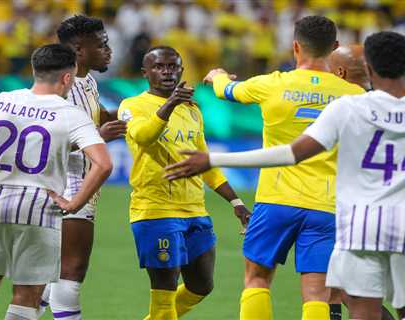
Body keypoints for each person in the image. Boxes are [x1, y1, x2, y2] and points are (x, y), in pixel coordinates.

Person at [165, 30, 405, 320]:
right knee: (320, 293)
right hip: (338, 208)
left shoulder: (343, 105)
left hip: (306, 207)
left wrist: (217, 80)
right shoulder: (351, 94)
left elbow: (290, 150)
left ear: (295, 46)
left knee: (258, 279)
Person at [0, 44, 113, 320]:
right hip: (40, 210)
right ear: (67, 78)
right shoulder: (70, 114)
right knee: (27, 296)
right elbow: (103, 164)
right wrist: (74, 203)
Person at [117, 46, 249, 320]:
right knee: (164, 298)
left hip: (195, 211)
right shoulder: (131, 106)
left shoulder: (192, 111)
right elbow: (143, 136)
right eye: (159, 66)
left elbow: (205, 162)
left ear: (181, 70)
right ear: (145, 73)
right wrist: (171, 103)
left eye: (173, 66)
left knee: (201, 286)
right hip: (155, 212)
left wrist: (236, 202)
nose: (167, 72)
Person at [37, 15, 127, 320]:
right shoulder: (61, 88)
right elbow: (46, 141)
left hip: (79, 181)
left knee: (51, 276)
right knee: (71, 271)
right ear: (78, 49)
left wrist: (143, 110)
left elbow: (100, 115)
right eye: (101, 44)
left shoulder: (86, 80)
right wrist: (97, 138)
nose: (108, 50)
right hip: (67, 182)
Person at [329, 44, 395, 320]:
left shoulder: (350, 108)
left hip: (363, 211)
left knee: (348, 290)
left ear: (341, 72)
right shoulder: (387, 104)